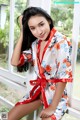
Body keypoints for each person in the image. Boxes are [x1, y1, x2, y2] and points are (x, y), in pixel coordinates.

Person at [8, 7, 73, 120]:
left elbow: (63, 77)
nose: (39, 31)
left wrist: (52, 107)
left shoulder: (61, 41)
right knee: (5, 117)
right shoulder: (35, 44)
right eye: (32, 28)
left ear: (48, 20)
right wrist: (23, 32)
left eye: (41, 24)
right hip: (38, 92)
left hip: (55, 97)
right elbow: (15, 62)